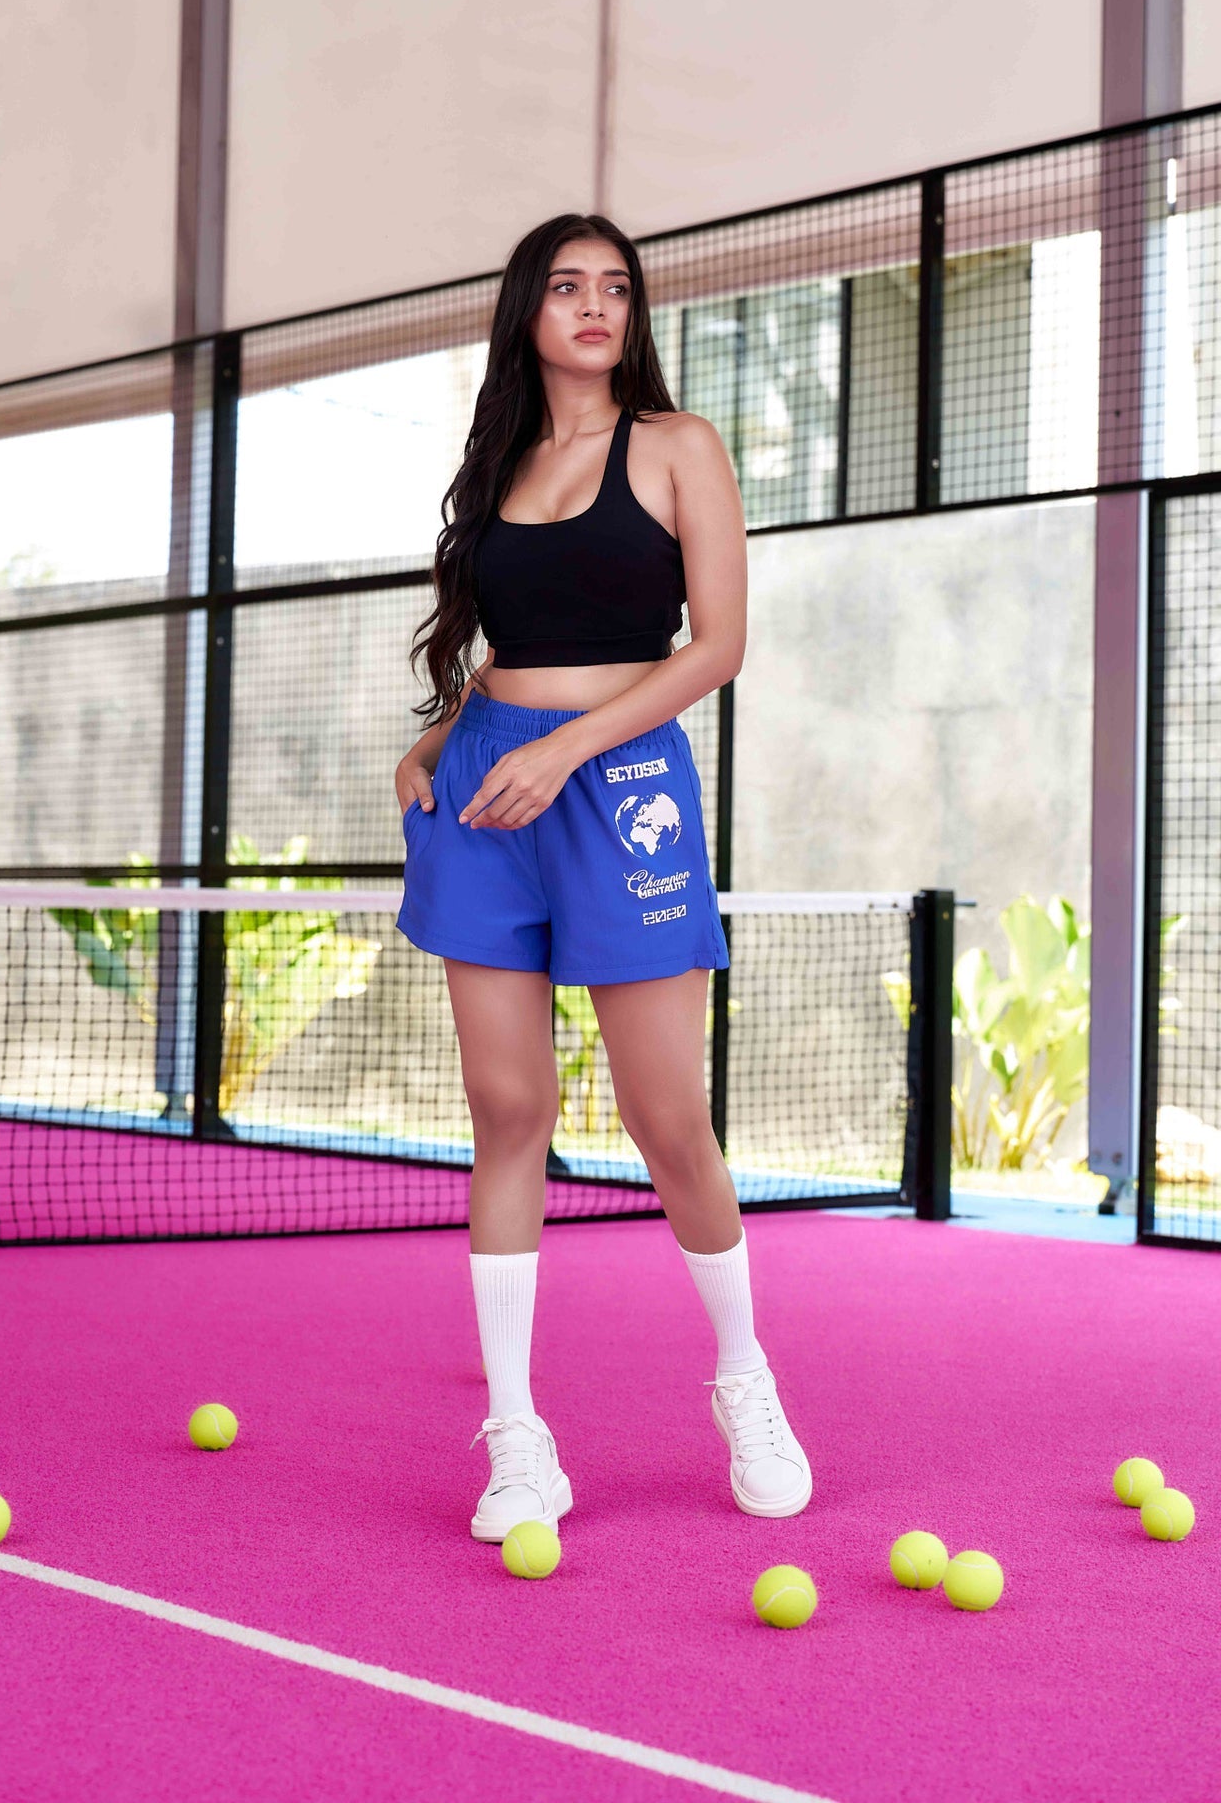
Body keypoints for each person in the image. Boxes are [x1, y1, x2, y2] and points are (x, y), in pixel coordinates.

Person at [394, 212, 810, 1541]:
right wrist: (441, 740)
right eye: (567, 286)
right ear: (528, 310)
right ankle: (519, 1438)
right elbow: (513, 647)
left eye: (615, 288)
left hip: (619, 784)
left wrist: (570, 746)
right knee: (507, 1107)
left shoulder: (680, 446)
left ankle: (744, 1380)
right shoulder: (499, 463)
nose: (593, 306)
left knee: (665, 1115)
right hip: (488, 790)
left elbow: (716, 646)